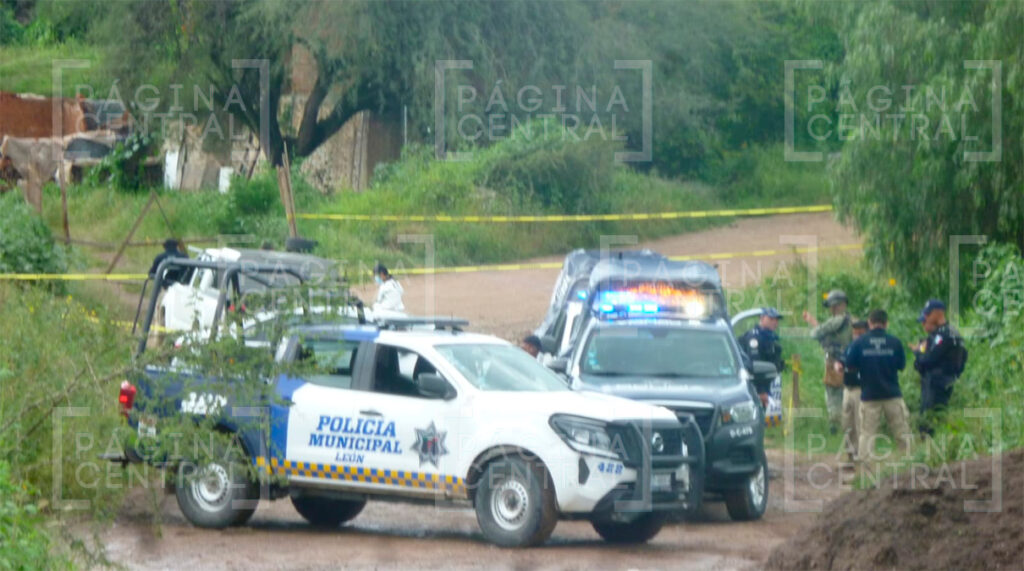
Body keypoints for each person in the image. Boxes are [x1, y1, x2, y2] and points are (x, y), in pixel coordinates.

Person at [844, 309, 912, 462]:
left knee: (867, 434)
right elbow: (901, 365)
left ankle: (866, 470)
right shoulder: (895, 342)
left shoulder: (859, 343)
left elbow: (849, 365)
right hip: (892, 394)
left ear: (869, 323)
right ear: (886, 323)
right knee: (902, 432)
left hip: (869, 395)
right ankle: (909, 465)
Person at [911, 299, 967, 436]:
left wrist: (918, 352)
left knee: (931, 420)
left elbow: (929, 359)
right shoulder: (937, 335)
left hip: (938, 382)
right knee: (926, 418)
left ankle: (933, 449)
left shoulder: (946, 334)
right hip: (933, 381)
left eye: (927, 316)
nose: (925, 321)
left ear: (937, 314)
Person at [803, 289, 853, 433]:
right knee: (849, 392)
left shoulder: (836, 320)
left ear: (838, 305)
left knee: (833, 394)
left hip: (834, 361)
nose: (831, 309)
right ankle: (850, 425)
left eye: (833, 306)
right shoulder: (852, 320)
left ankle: (835, 425)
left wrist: (816, 327)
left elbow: (815, 333)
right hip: (851, 361)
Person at [737, 307, 785, 406]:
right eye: (771, 319)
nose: (775, 322)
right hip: (755, 387)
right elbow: (755, 366)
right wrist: (761, 391)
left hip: (767, 384)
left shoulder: (769, 337)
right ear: (762, 319)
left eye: (776, 320)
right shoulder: (754, 337)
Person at [835, 320, 868, 461]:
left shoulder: (868, 348)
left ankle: (861, 455)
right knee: (847, 424)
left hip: (861, 388)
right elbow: (841, 360)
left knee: (860, 423)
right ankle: (851, 454)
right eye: (855, 333)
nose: (857, 336)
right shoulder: (850, 347)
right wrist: (838, 365)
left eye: (860, 333)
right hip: (847, 388)